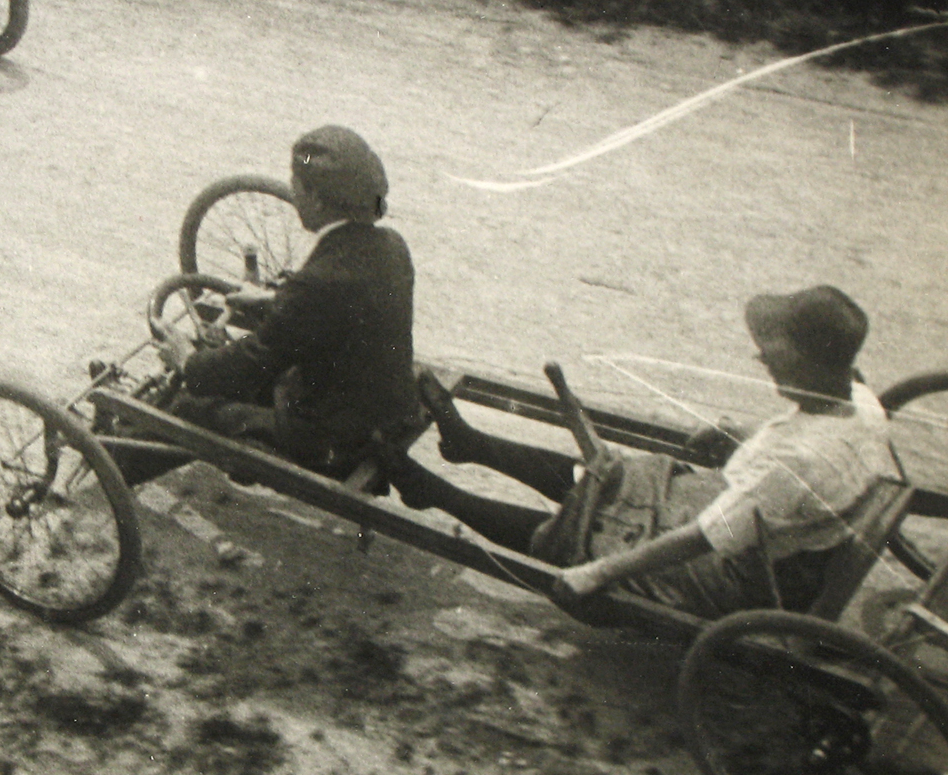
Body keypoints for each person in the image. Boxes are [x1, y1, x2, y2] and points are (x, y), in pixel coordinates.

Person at [391, 286, 893, 617]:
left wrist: (597, 572)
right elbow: (807, 447)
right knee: (616, 479)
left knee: (584, 536)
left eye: (774, 349)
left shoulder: (794, 465)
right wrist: (738, 435)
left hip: (738, 576)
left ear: (804, 360)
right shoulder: (863, 403)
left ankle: (431, 490)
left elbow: (704, 539)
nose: (758, 356)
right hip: (773, 535)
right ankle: (473, 444)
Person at [116, 126, 418, 482]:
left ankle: (112, 463)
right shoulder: (390, 246)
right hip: (378, 412)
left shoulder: (317, 283)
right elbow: (339, 306)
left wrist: (188, 362)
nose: (293, 193)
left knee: (192, 407)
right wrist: (275, 299)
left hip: (333, 442)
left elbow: (253, 360)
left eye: (298, 187)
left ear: (318, 200)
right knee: (239, 379)